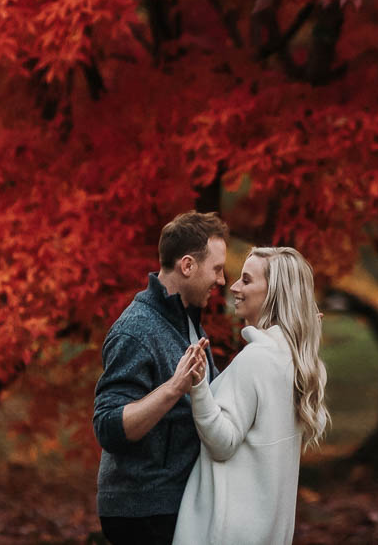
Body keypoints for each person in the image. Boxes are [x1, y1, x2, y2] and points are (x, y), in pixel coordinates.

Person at [173, 247, 329, 545]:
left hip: (226, 531)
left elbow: (223, 443)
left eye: (246, 280)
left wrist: (198, 384)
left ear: (273, 294)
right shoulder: (297, 362)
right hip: (267, 530)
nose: (233, 287)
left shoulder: (256, 360)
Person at [93, 211, 228, 545]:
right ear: (187, 266)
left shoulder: (188, 324)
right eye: (217, 269)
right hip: (143, 512)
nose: (222, 280)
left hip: (175, 503)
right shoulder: (136, 330)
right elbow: (108, 427)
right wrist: (173, 388)